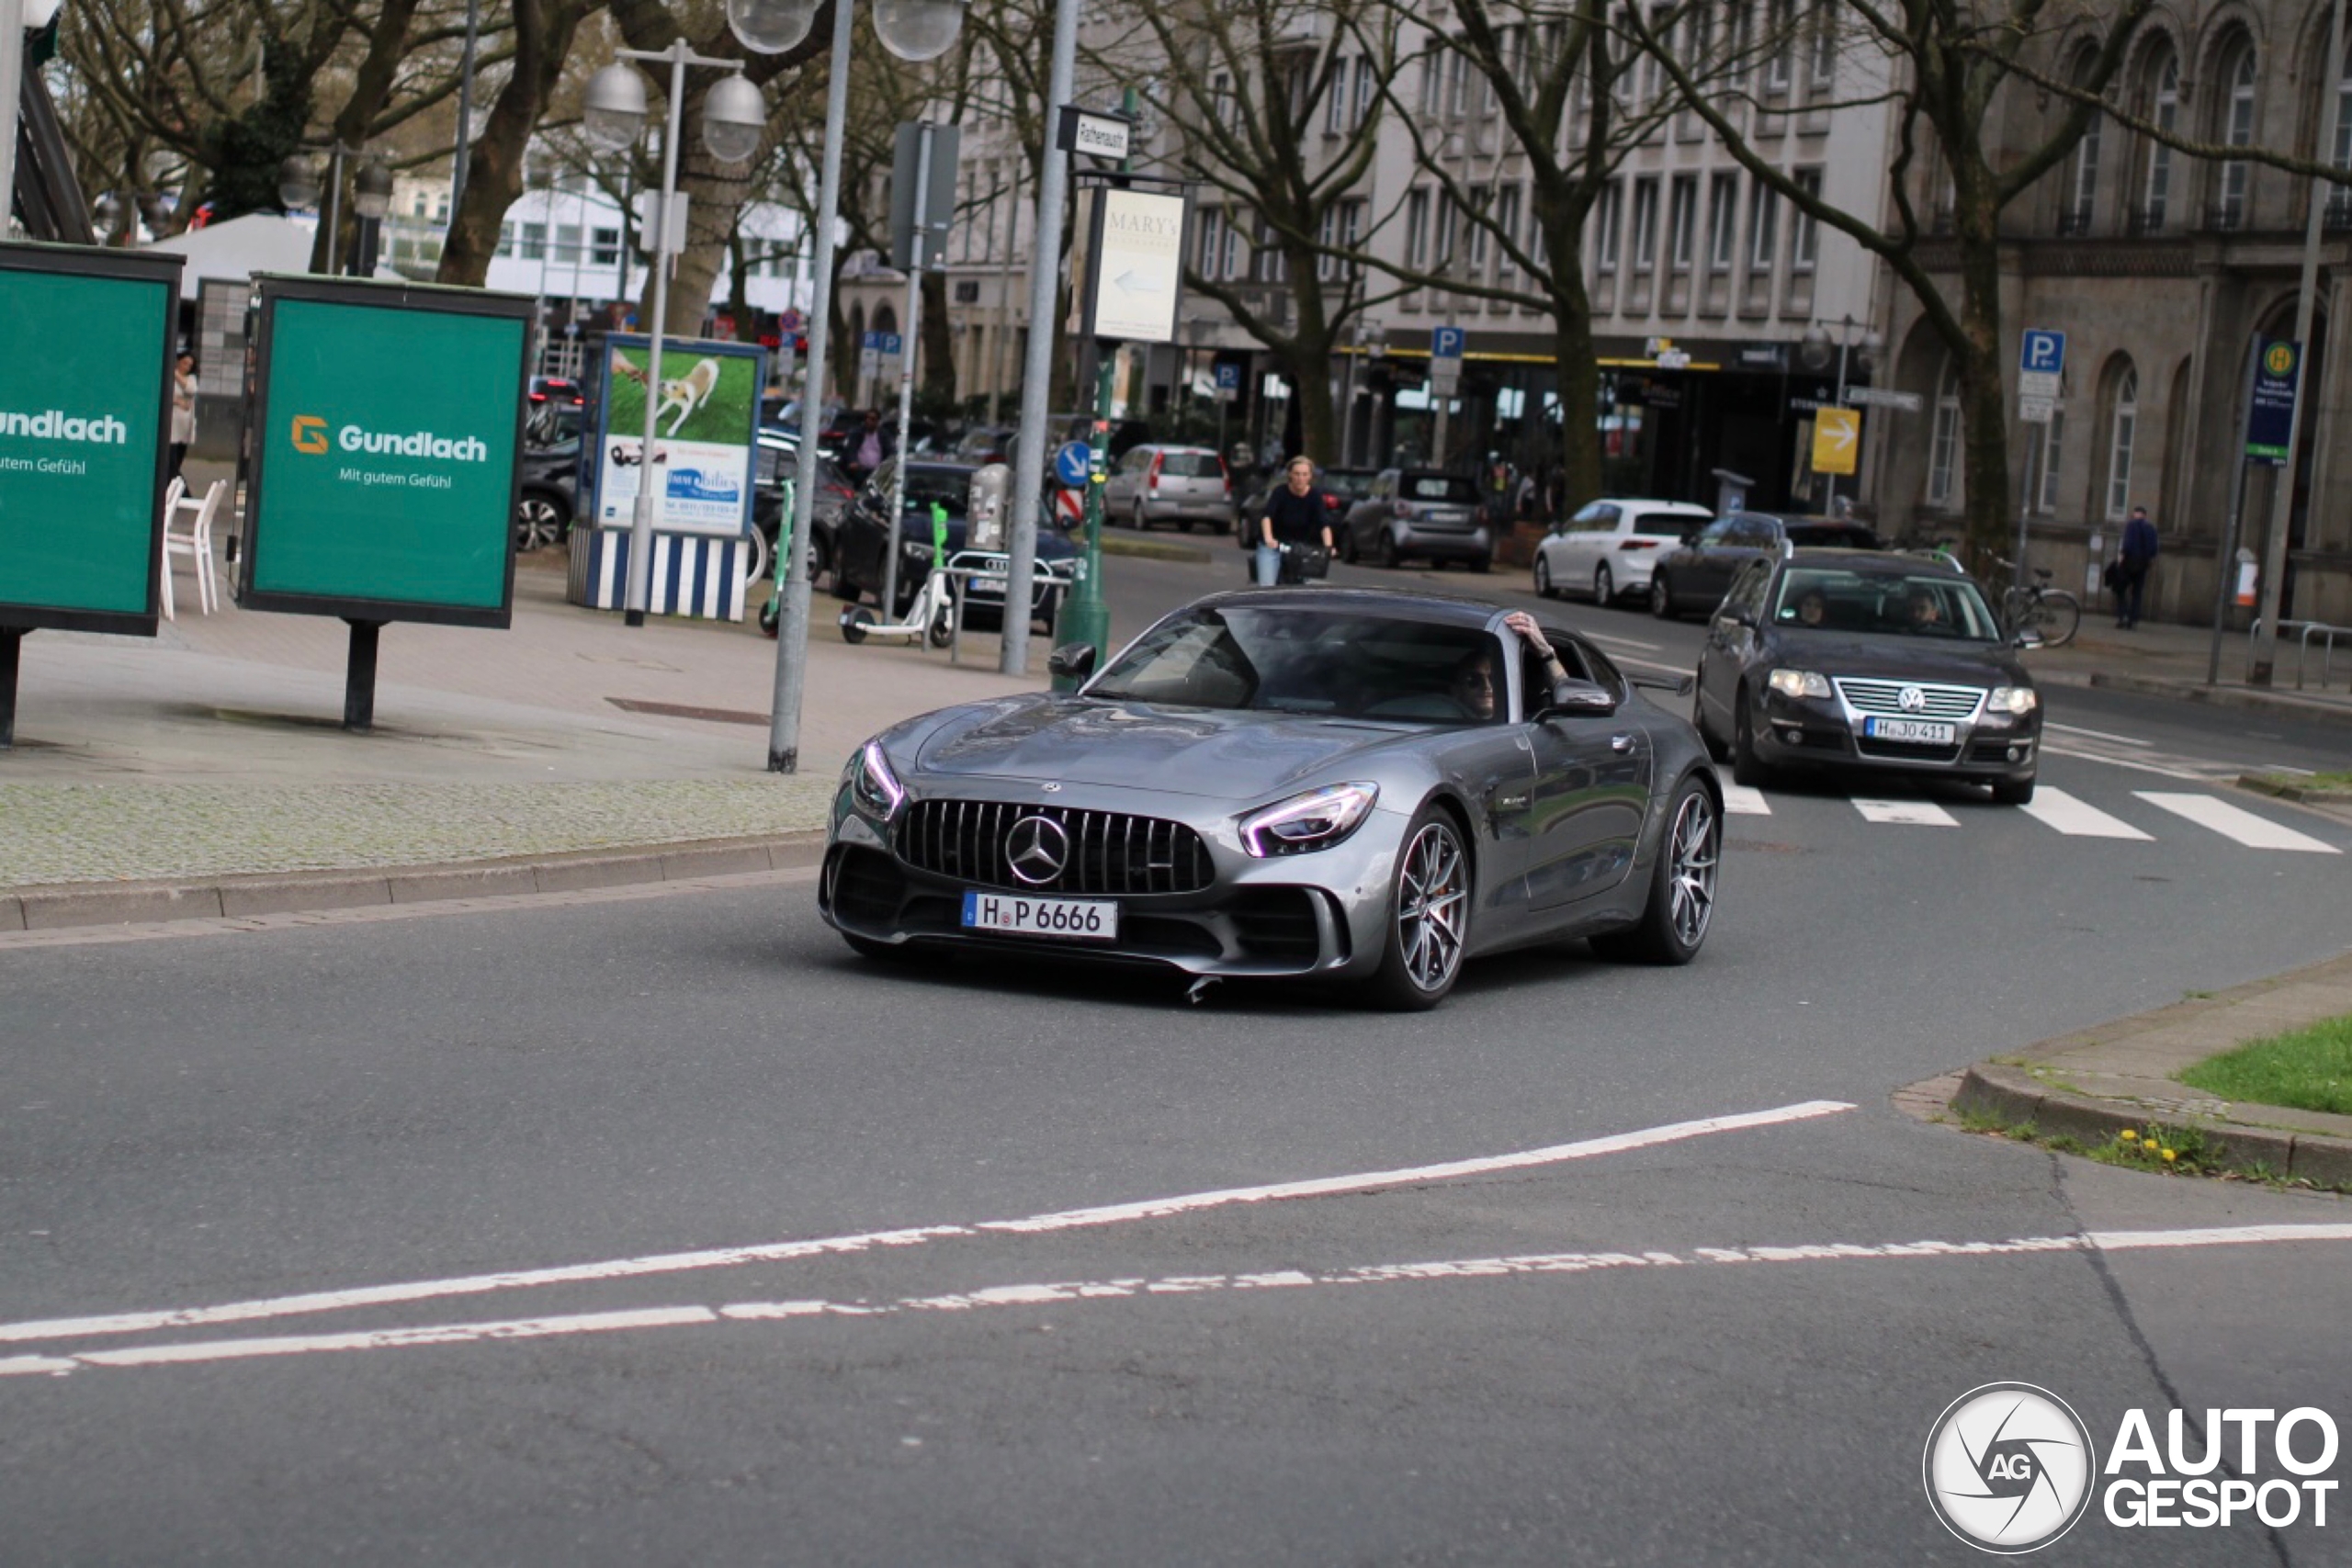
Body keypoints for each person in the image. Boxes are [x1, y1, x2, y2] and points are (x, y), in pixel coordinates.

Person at [1258, 456, 1335, 587]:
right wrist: (1269, 538)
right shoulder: (1280, 492)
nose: (1300, 478)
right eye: (1297, 474)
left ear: (1310, 476)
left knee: (1302, 589)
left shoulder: (1315, 496)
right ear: (1290, 475)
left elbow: (1324, 524)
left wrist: (1328, 547)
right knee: (1267, 588)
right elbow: (1267, 517)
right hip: (1275, 546)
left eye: (1305, 474)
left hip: (1300, 549)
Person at [2117, 503, 2159, 628]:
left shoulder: (2131, 525)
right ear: (2145, 516)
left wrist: (2122, 556)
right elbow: (2154, 548)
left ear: (2135, 514)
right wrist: (2149, 559)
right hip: (2143, 563)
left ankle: (2123, 615)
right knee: (2137, 592)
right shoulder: (2151, 528)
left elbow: (2128, 544)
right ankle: (2133, 620)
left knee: (2120, 588)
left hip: (2129, 562)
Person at [168, 352, 197, 481]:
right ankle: (183, 492)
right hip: (171, 428)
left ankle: (172, 489)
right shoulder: (168, 376)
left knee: (177, 462)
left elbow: (191, 389)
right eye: (185, 363)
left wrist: (177, 375)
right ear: (178, 362)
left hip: (184, 429)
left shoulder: (191, 378)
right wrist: (178, 401)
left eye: (190, 365)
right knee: (171, 464)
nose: (187, 367)